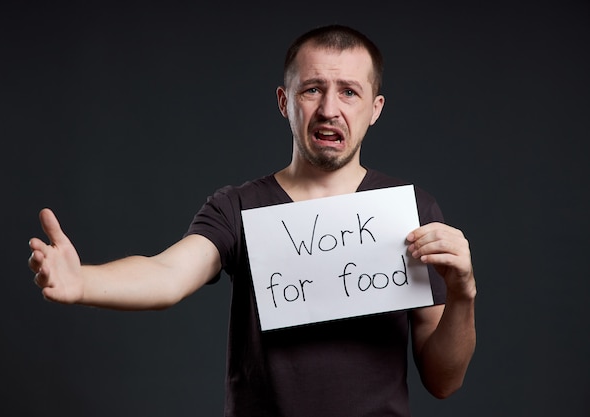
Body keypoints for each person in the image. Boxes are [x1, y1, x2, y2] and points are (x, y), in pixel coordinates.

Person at [28, 25, 476, 417]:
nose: (328, 108)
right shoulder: (238, 207)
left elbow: (443, 382)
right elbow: (168, 274)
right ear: (285, 101)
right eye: (312, 88)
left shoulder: (410, 212)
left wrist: (462, 294)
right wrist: (82, 282)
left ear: (375, 108)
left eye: (349, 91)